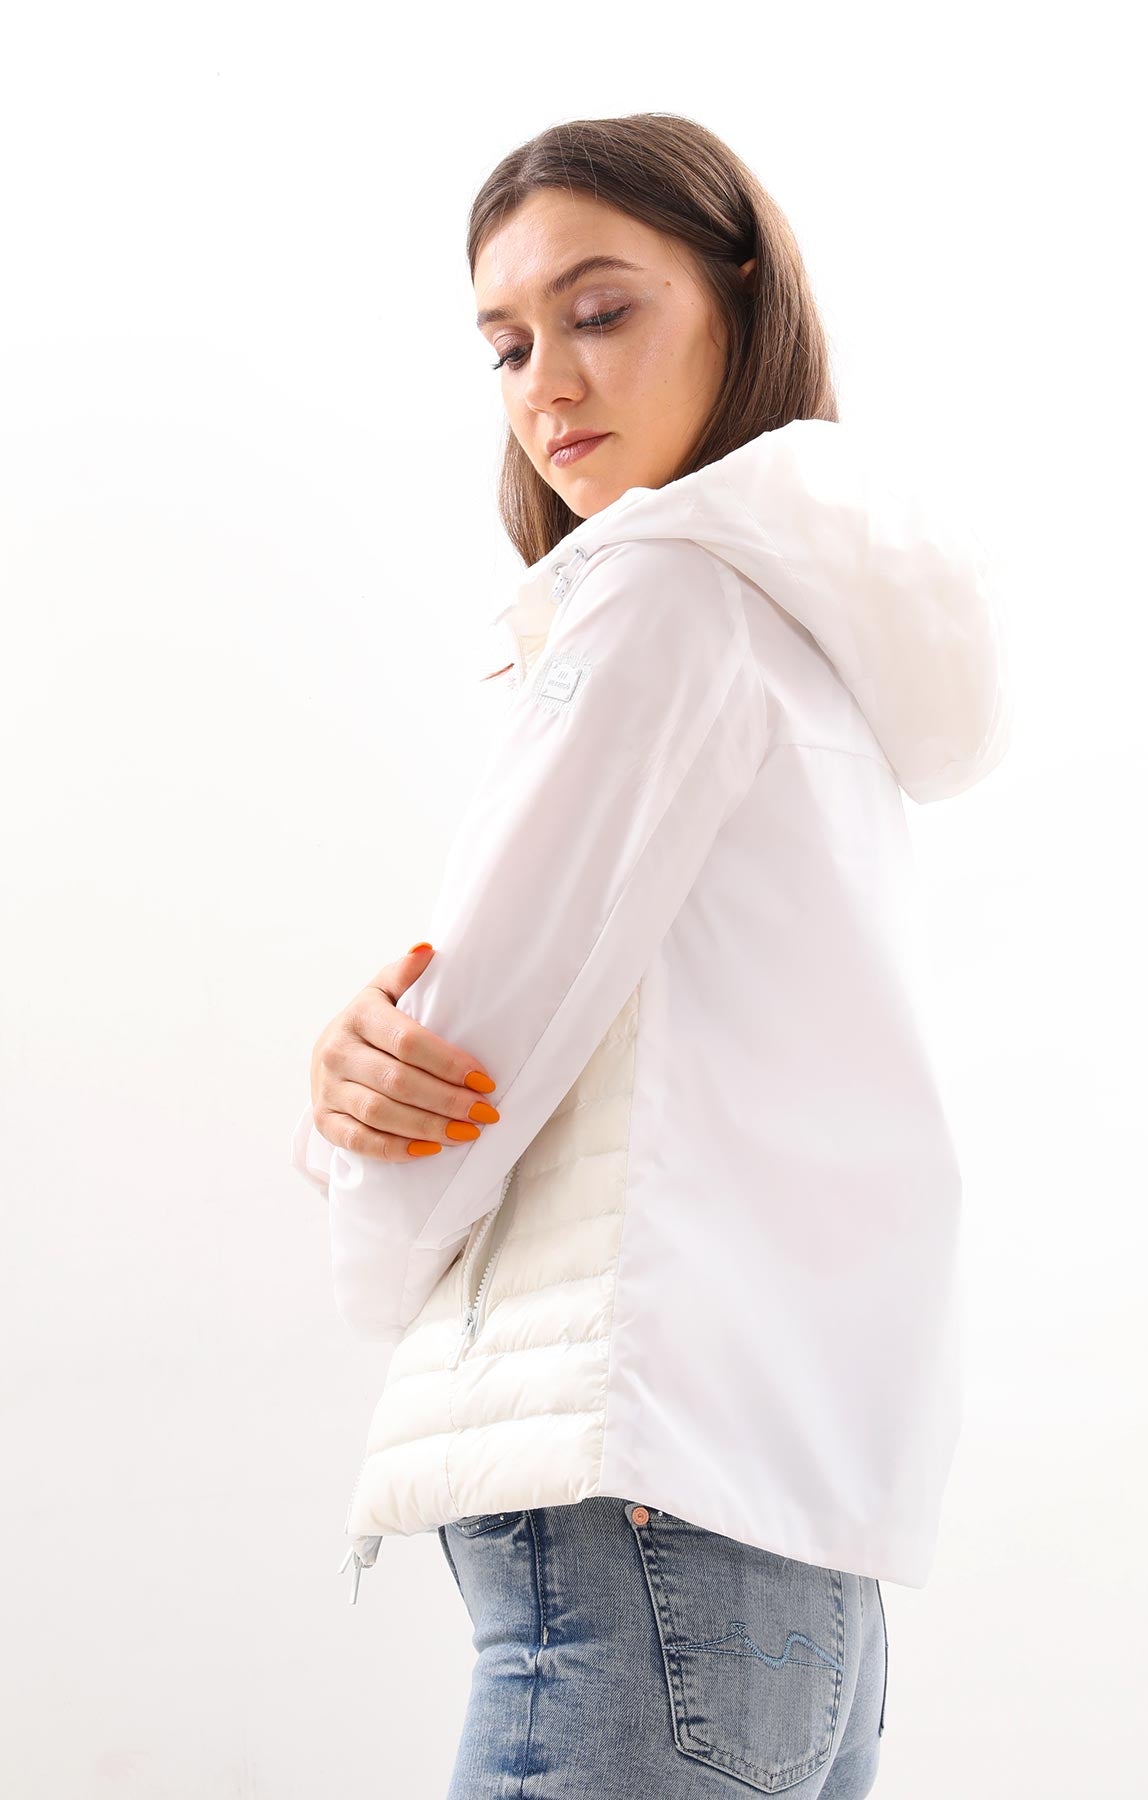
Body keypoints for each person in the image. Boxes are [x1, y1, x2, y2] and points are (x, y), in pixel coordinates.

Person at [291, 112, 1011, 1798]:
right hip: (801, 1535)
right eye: (507, 344)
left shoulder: (664, 593)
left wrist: (340, 1135)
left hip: (640, 1496)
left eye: (601, 310)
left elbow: (464, 1056)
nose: (548, 383)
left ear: (742, 300)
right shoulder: (814, 631)